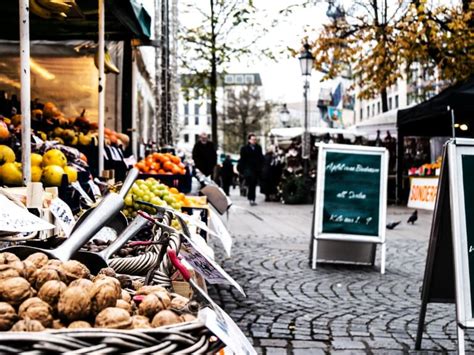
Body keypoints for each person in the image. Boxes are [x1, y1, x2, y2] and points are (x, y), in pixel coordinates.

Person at [238, 133, 264, 206]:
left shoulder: (258, 148)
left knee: (253, 184)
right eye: (252, 139)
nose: (254, 141)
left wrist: (261, 167)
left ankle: (252, 198)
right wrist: (242, 169)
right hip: (248, 169)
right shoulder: (244, 148)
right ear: (249, 140)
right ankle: (250, 197)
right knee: (251, 183)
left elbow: (261, 158)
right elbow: (242, 159)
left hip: (256, 169)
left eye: (255, 139)